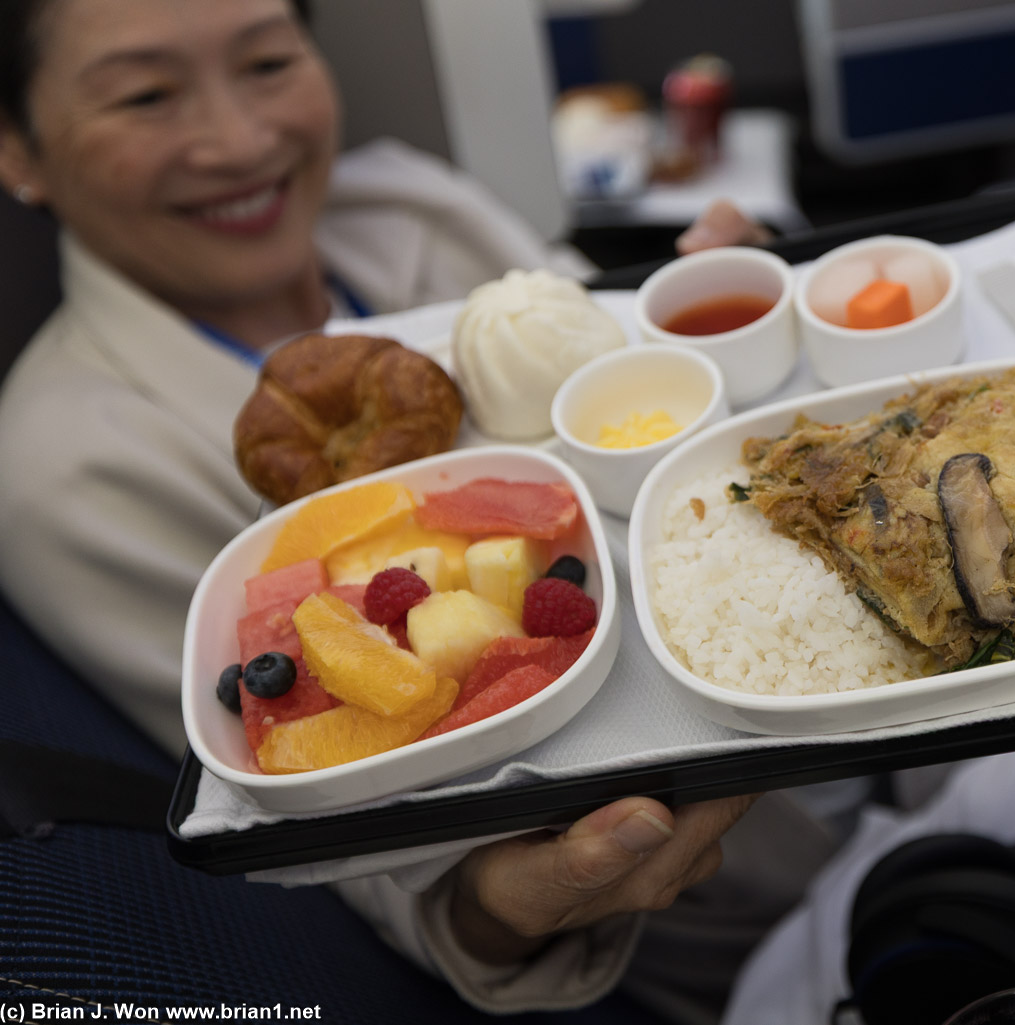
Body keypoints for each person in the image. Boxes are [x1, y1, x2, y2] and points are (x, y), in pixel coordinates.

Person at [0, 0, 779, 1019]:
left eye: (270, 61)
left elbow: (620, 396)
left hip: (808, 659)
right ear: (18, 148)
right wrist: (501, 914)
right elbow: (324, 827)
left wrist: (731, 347)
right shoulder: (68, 467)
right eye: (146, 93)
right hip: (708, 908)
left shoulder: (414, 208)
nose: (239, 139)